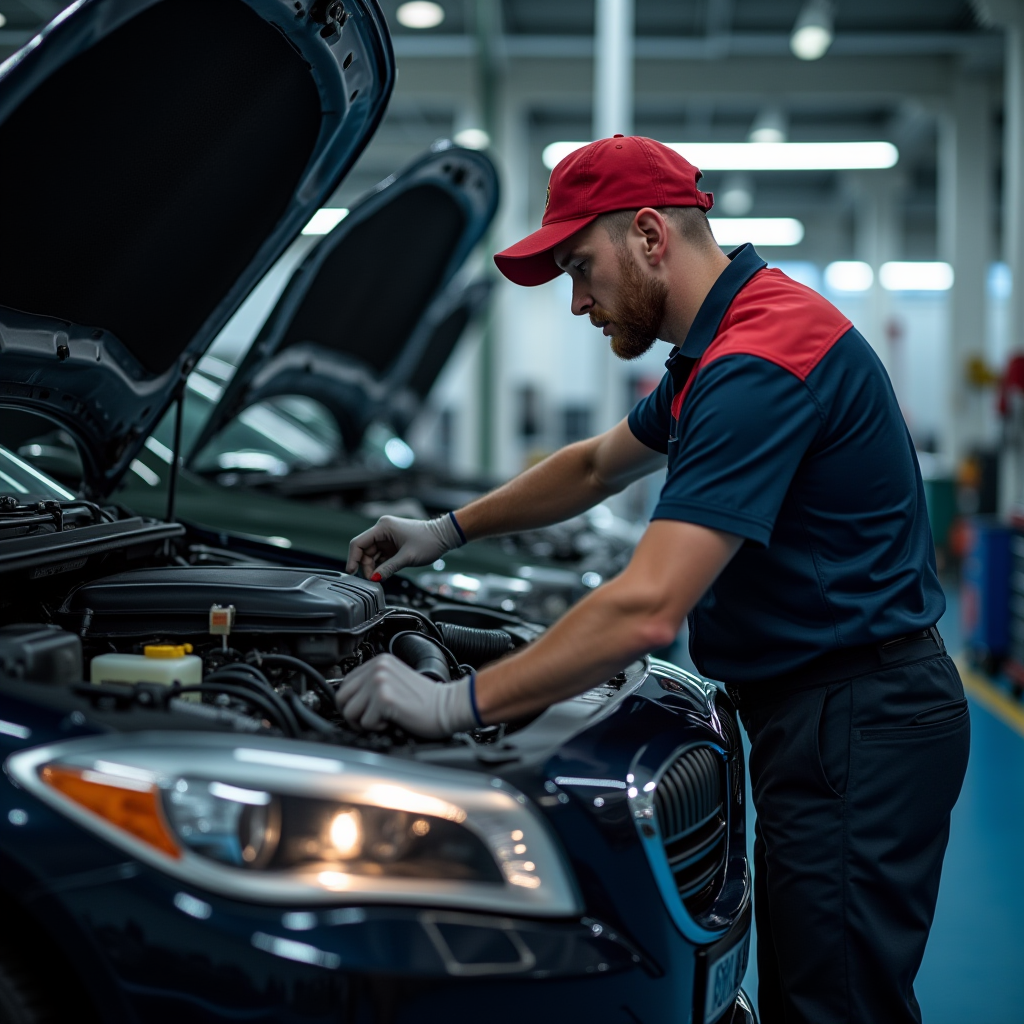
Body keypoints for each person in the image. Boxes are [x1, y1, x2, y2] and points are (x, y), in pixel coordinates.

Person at [338, 135, 970, 1024]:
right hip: (822, 710)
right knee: (812, 991)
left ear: (647, 234)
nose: (576, 301)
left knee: (835, 1006)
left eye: (579, 267)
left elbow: (647, 607)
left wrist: (452, 704)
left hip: (855, 718)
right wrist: (445, 531)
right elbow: (597, 465)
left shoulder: (756, 363)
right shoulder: (725, 343)